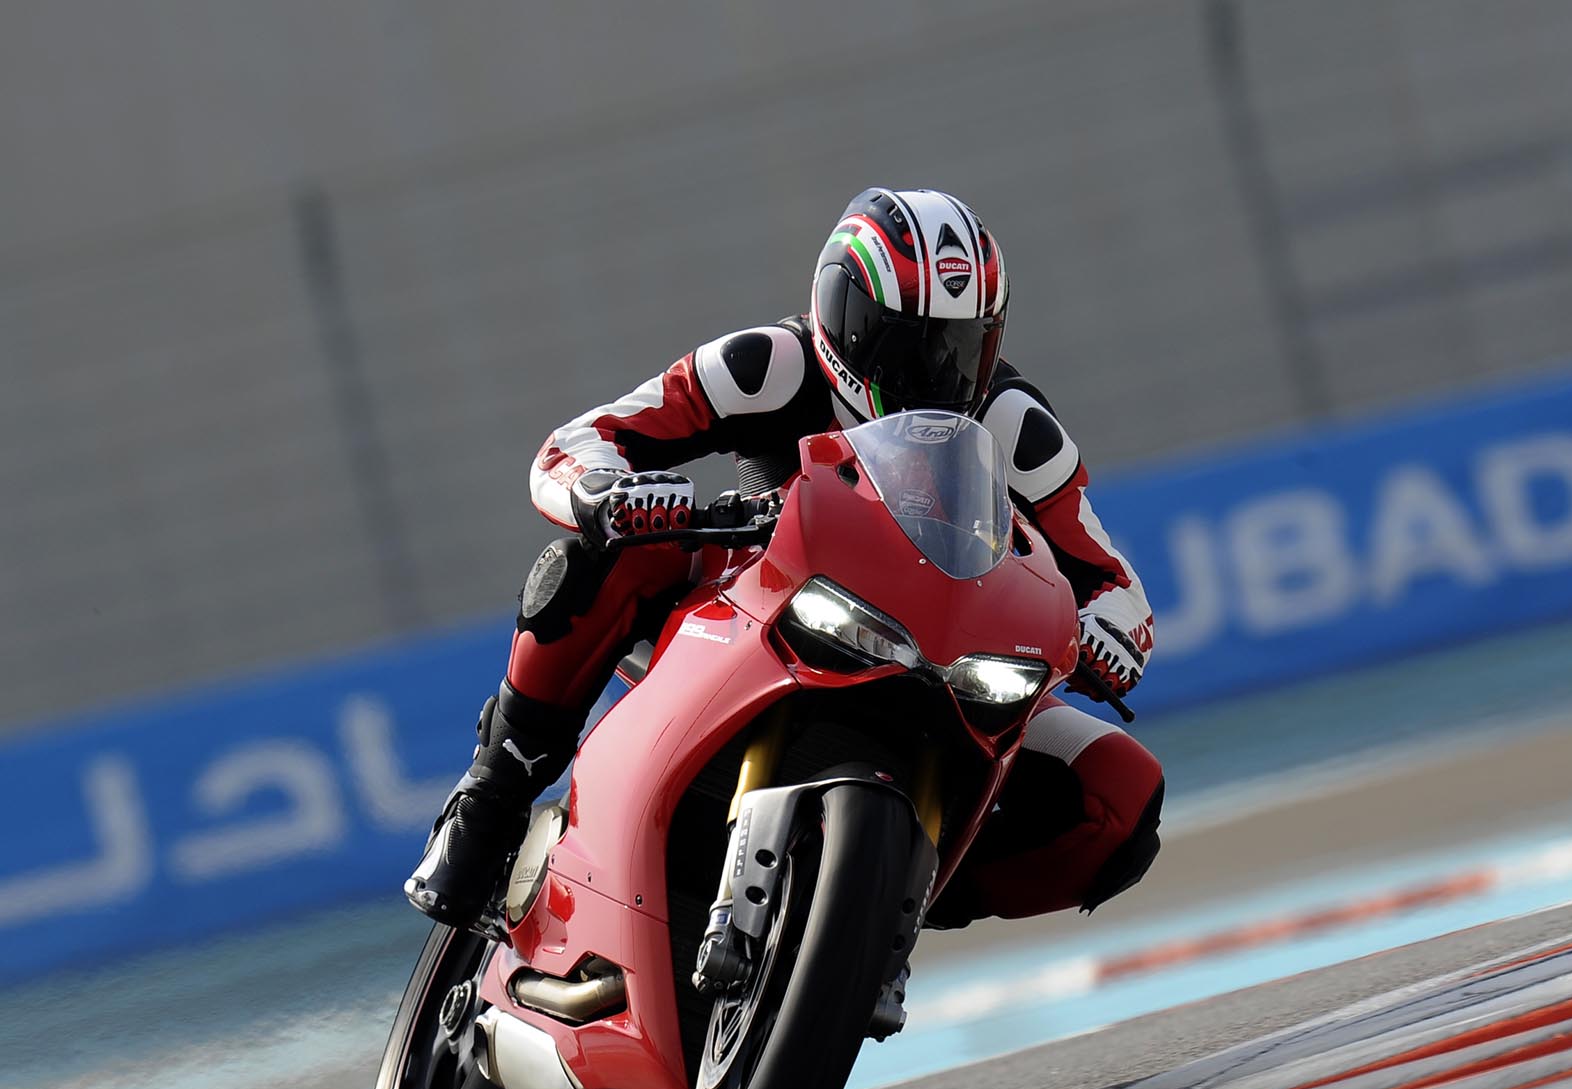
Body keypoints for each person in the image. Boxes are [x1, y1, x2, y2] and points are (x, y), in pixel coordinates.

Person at [406, 187, 1164, 934]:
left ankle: (884, 911)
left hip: (941, 658)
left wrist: (1111, 633)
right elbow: (581, 441)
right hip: (757, 601)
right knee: (599, 559)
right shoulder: (767, 363)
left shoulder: (1015, 426)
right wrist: (609, 492)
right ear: (842, 314)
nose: (933, 372)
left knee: (1121, 795)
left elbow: (1113, 581)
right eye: (905, 342)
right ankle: (492, 793)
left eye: (960, 346)